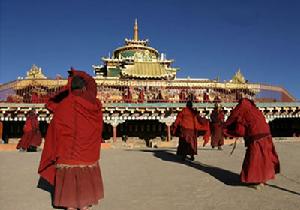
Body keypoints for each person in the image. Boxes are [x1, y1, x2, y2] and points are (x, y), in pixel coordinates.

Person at [38, 68, 104, 210]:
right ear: (84, 87)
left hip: (66, 155)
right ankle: (84, 204)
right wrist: (79, 73)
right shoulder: (93, 103)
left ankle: (70, 205)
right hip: (87, 154)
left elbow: (54, 131)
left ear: (70, 88)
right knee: (85, 202)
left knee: (70, 203)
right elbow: (92, 84)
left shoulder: (63, 105)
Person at [224, 98, 280, 189]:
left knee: (254, 160)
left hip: (256, 138)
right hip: (267, 135)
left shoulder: (243, 112)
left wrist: (227, 130)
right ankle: (262, 179)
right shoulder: (255, 110)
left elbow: (240, 131)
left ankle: (255, 181)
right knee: (264, 159)